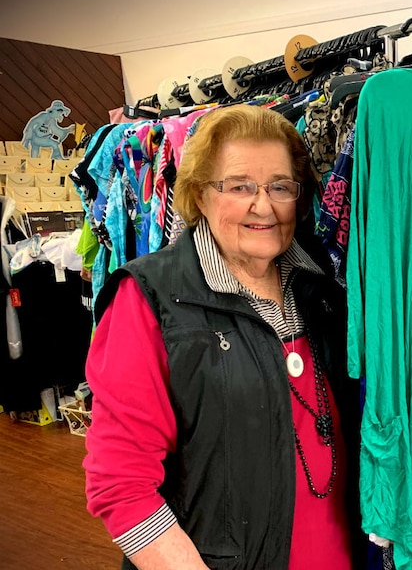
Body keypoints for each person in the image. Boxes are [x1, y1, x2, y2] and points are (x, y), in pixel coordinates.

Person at [83, 104, 363, 570]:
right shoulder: (152, 298)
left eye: (279, 186)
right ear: (199, 195)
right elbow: (120, 484)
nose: (263, 205)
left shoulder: (327, 289)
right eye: (239, 186)